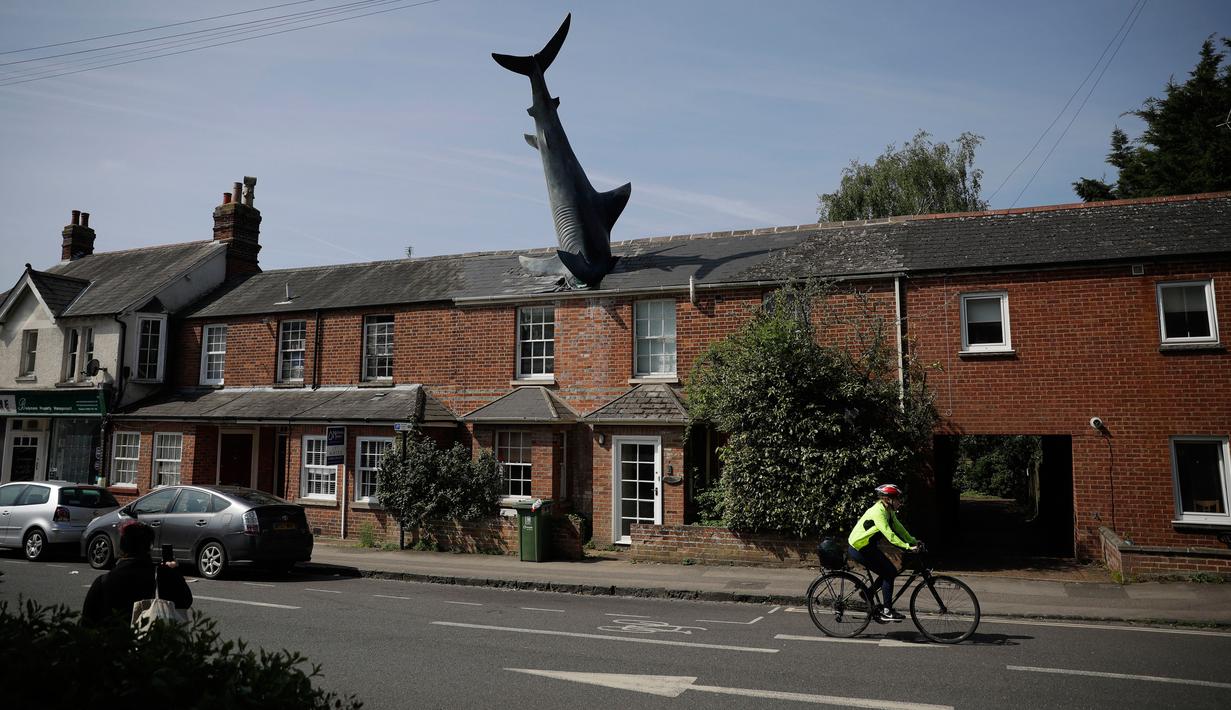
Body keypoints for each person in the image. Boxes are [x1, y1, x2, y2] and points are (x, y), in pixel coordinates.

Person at [82, 520, 192, 626]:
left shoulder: (104, 581)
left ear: (122, 547)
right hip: (152, 643)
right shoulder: (163, 577)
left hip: (113, 642)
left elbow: (87, 623)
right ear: (149, 547)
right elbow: (185, 601)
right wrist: (173, 571)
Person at [847, 483, 922, 622]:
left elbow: (898, 528)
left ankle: (867, 593)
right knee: (889, 573)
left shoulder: (888, 511)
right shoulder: (878, 512)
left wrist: (912, 540)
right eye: (897, 498)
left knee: (889, 572)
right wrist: (907, 547)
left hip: (868, 546)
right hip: (859, 548)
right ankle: (887, 611)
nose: (900, 501)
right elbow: (889, 534)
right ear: (888, 499)